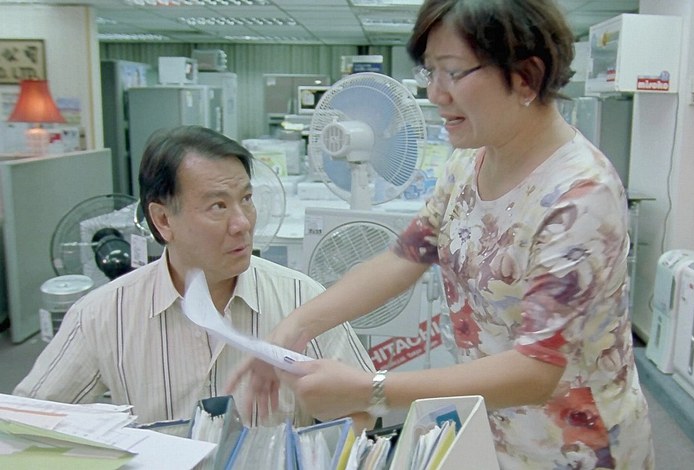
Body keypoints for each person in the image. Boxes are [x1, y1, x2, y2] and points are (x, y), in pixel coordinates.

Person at [230, 0, 654, 467]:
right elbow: (404, 257)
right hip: (492, 425)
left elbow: (536, 371)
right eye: (430, 72)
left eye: (452, 72)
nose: (435, 93)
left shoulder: (579, 196)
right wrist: (294, 327)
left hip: (572, 448)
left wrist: (371, 390)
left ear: (526, 77)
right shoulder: (470, 160)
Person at [14, 125, 375, 427]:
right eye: (218, 206)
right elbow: (27, 422)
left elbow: (366, 412)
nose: (242, 223)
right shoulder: (103, 315)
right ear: (163, 220)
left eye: (246, 199)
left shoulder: (300, 298)